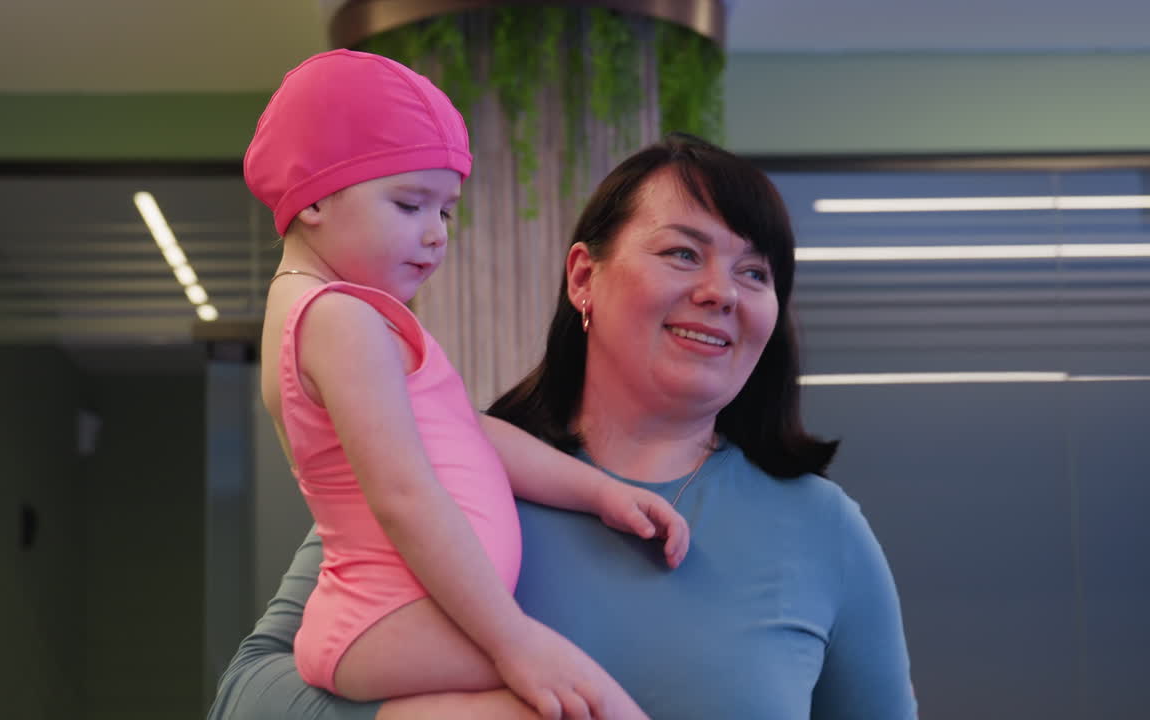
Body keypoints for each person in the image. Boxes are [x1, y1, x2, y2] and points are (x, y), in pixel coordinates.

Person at [212, 132, 919, 719]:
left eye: (756, 273)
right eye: (683, 253)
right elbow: (245, 697)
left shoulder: (824, 529)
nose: (721, 292)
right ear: (584, 278)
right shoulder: (442, 462)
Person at [245, 49, 691, 720]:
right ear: (312, 197)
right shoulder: (338, 320)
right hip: (388, 617)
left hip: (392, 616)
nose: (435, 235)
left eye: (446, 213)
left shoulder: (345, 316)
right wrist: (513, 640)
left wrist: (600, 492)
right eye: (409, 204)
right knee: (592, 699)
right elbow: (404, 497)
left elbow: (467, 435)